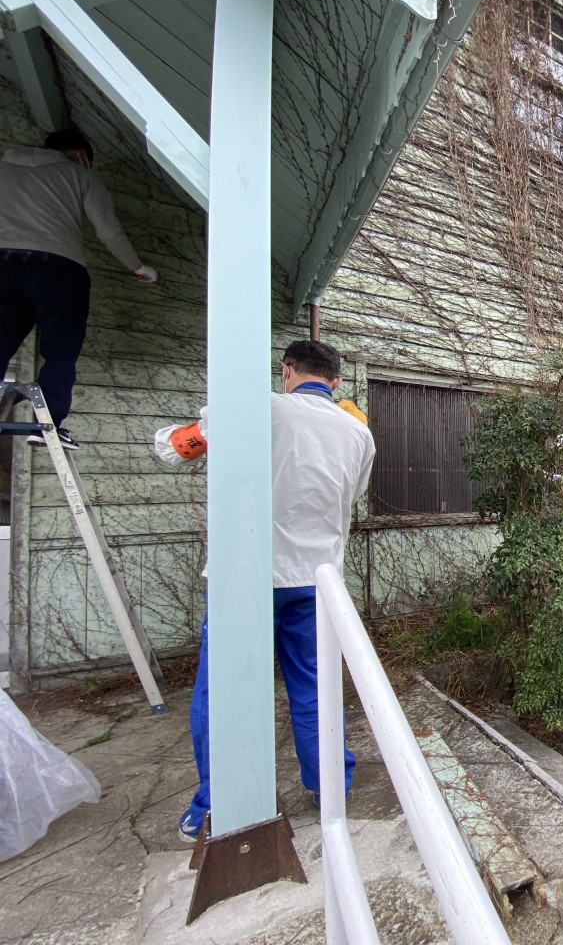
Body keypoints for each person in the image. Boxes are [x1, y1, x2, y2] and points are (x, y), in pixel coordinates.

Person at [154, 340, 375, 841]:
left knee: (225, 692)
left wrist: (183, 434)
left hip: (246, 578)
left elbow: (173, 448)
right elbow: (352, 495)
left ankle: (216, 805)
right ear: (336, 381)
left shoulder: (260, 409)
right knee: (316, 687)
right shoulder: (357, 431)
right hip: (317, 580)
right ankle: (329, 786)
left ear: (286, 371)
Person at [0, 129, 157, 449]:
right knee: (59, 350)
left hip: (3, 265)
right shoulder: (81, 176)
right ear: (82, 156)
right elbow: (109, 231)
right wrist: (137, 268)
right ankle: (46, 426)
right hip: (59, 270)